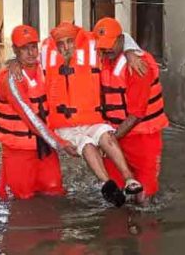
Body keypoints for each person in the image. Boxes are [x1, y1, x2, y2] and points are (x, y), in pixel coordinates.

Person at [43, 22, 143, 207]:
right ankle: (107, 185)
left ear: (77, 40)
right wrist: (13, 63)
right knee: (86, 145)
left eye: (70, 42)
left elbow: (121, 37)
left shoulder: (92, 44)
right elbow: (25, 59)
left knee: (107, 135)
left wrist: (130, 52)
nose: (66, 48)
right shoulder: (43, 51)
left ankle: (130, 179)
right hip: (64, 125)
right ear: (55, 45)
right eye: (61, 44)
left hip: (91, 118)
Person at [0, 25, 76, 201]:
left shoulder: (45, 68)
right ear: (15, 50)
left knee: (55, 191)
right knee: (22, 199)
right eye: (24, 48)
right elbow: (30, 117)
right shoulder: (10, 78)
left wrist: (130, 49)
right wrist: (60, 143)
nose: (31, 53)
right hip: (19, 150)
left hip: (45, 148)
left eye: (33, 47)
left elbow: (81, 44)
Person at [94, 18, 169, 205]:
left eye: (110, 45)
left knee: (143, 199)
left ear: (121, 40)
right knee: (114, 196)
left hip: (144, 137)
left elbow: (136, 114)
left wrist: (109, 141)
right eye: (102, 47)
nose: (106, 50)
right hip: (115, 135)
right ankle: (117, 231)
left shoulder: (139, 66)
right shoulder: (102, 56)